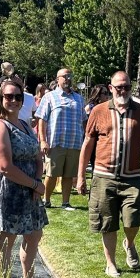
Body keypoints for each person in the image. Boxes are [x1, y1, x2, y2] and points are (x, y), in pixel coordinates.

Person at [76, 71, 140, 277]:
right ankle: (110, 263)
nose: (123, 90)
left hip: (132, 179)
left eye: (126, 87)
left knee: (133, 220)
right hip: (104, 177)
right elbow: (87, 144)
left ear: (131, 88)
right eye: (118, 87)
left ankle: (129, 243)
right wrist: (80, 177)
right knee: (107, 221)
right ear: (110, 88)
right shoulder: (98, 111)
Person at [0, 79, 51, 278]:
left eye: (18, 97)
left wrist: (37, 181)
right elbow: (4, 166)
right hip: (8, 191)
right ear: (0, 98)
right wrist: (35, 185)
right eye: (8, 96)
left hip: (29, 189)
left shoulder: (25, 125)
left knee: (33, 235)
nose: (13, 100)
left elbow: (37, 157)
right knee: (6, 241)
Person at [35, 68, 86, 210]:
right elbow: (42, 120)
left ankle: (65, 202)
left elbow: (84, 121)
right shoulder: (50, 97)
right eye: (65, 76)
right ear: (58, 79)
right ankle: (46, 200)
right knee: (52, 173)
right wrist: (43, 140)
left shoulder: (79, 99)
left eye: (70, 76)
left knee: (69, 174)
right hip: (56, 142)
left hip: (75, 142)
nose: (68, 79)